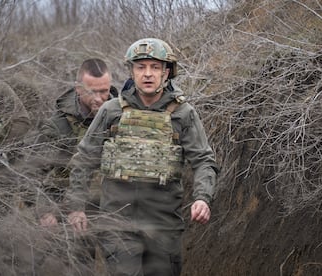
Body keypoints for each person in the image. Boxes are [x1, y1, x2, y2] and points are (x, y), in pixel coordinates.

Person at [66, 38, 220, 275]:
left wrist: (202, 198)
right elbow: (84, 158)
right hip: (118, 223)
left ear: (166, 72)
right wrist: (76, 206)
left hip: (163, 226)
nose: (148, 74)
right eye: (141, 67)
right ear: (131, 71)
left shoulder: (183, 114)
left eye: (155, 67)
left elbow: (203, 160)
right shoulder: (111, 111)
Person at [36, 58, 118, 226]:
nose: (99, 98)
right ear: (78, 88)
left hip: (111, 205)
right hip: (66, 208)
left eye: (104, 91)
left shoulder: (121, 116)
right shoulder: (58, 126)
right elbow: (35, 172)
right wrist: (45, 211)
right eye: (92, 92)